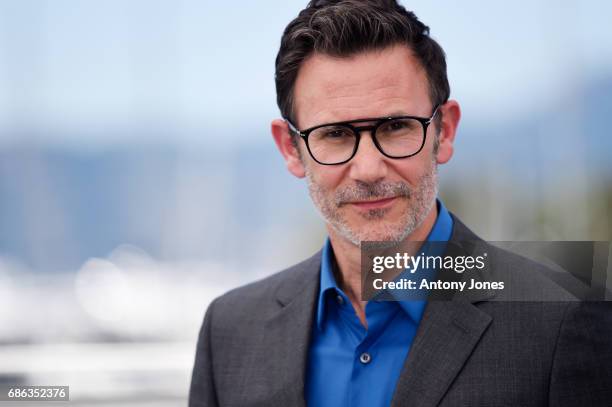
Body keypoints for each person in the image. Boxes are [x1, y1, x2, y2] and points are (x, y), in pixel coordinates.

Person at [189, 1, 611, 406]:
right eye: (335, 135)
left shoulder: (565, 316)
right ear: (290, 149)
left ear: (444, 132)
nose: (369, 169)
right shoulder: (229, 331)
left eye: (395, 127)